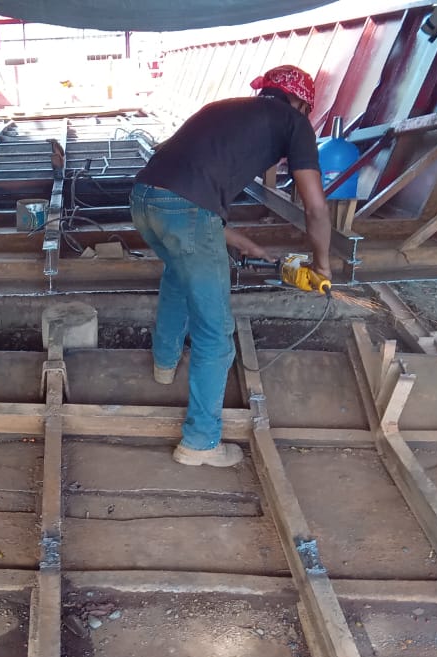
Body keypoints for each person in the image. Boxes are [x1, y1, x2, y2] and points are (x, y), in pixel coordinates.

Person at [129, 64, 333, 467]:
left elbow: (180, 188)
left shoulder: (222, 109)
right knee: (215, 333)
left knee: (177, 275)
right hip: (187, 211)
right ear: (299, 102)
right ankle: (200, 443)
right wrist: (322, 264)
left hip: (142, 199)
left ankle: (164, 365)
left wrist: (240, 241)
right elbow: (315, 208)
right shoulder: (294, 122)